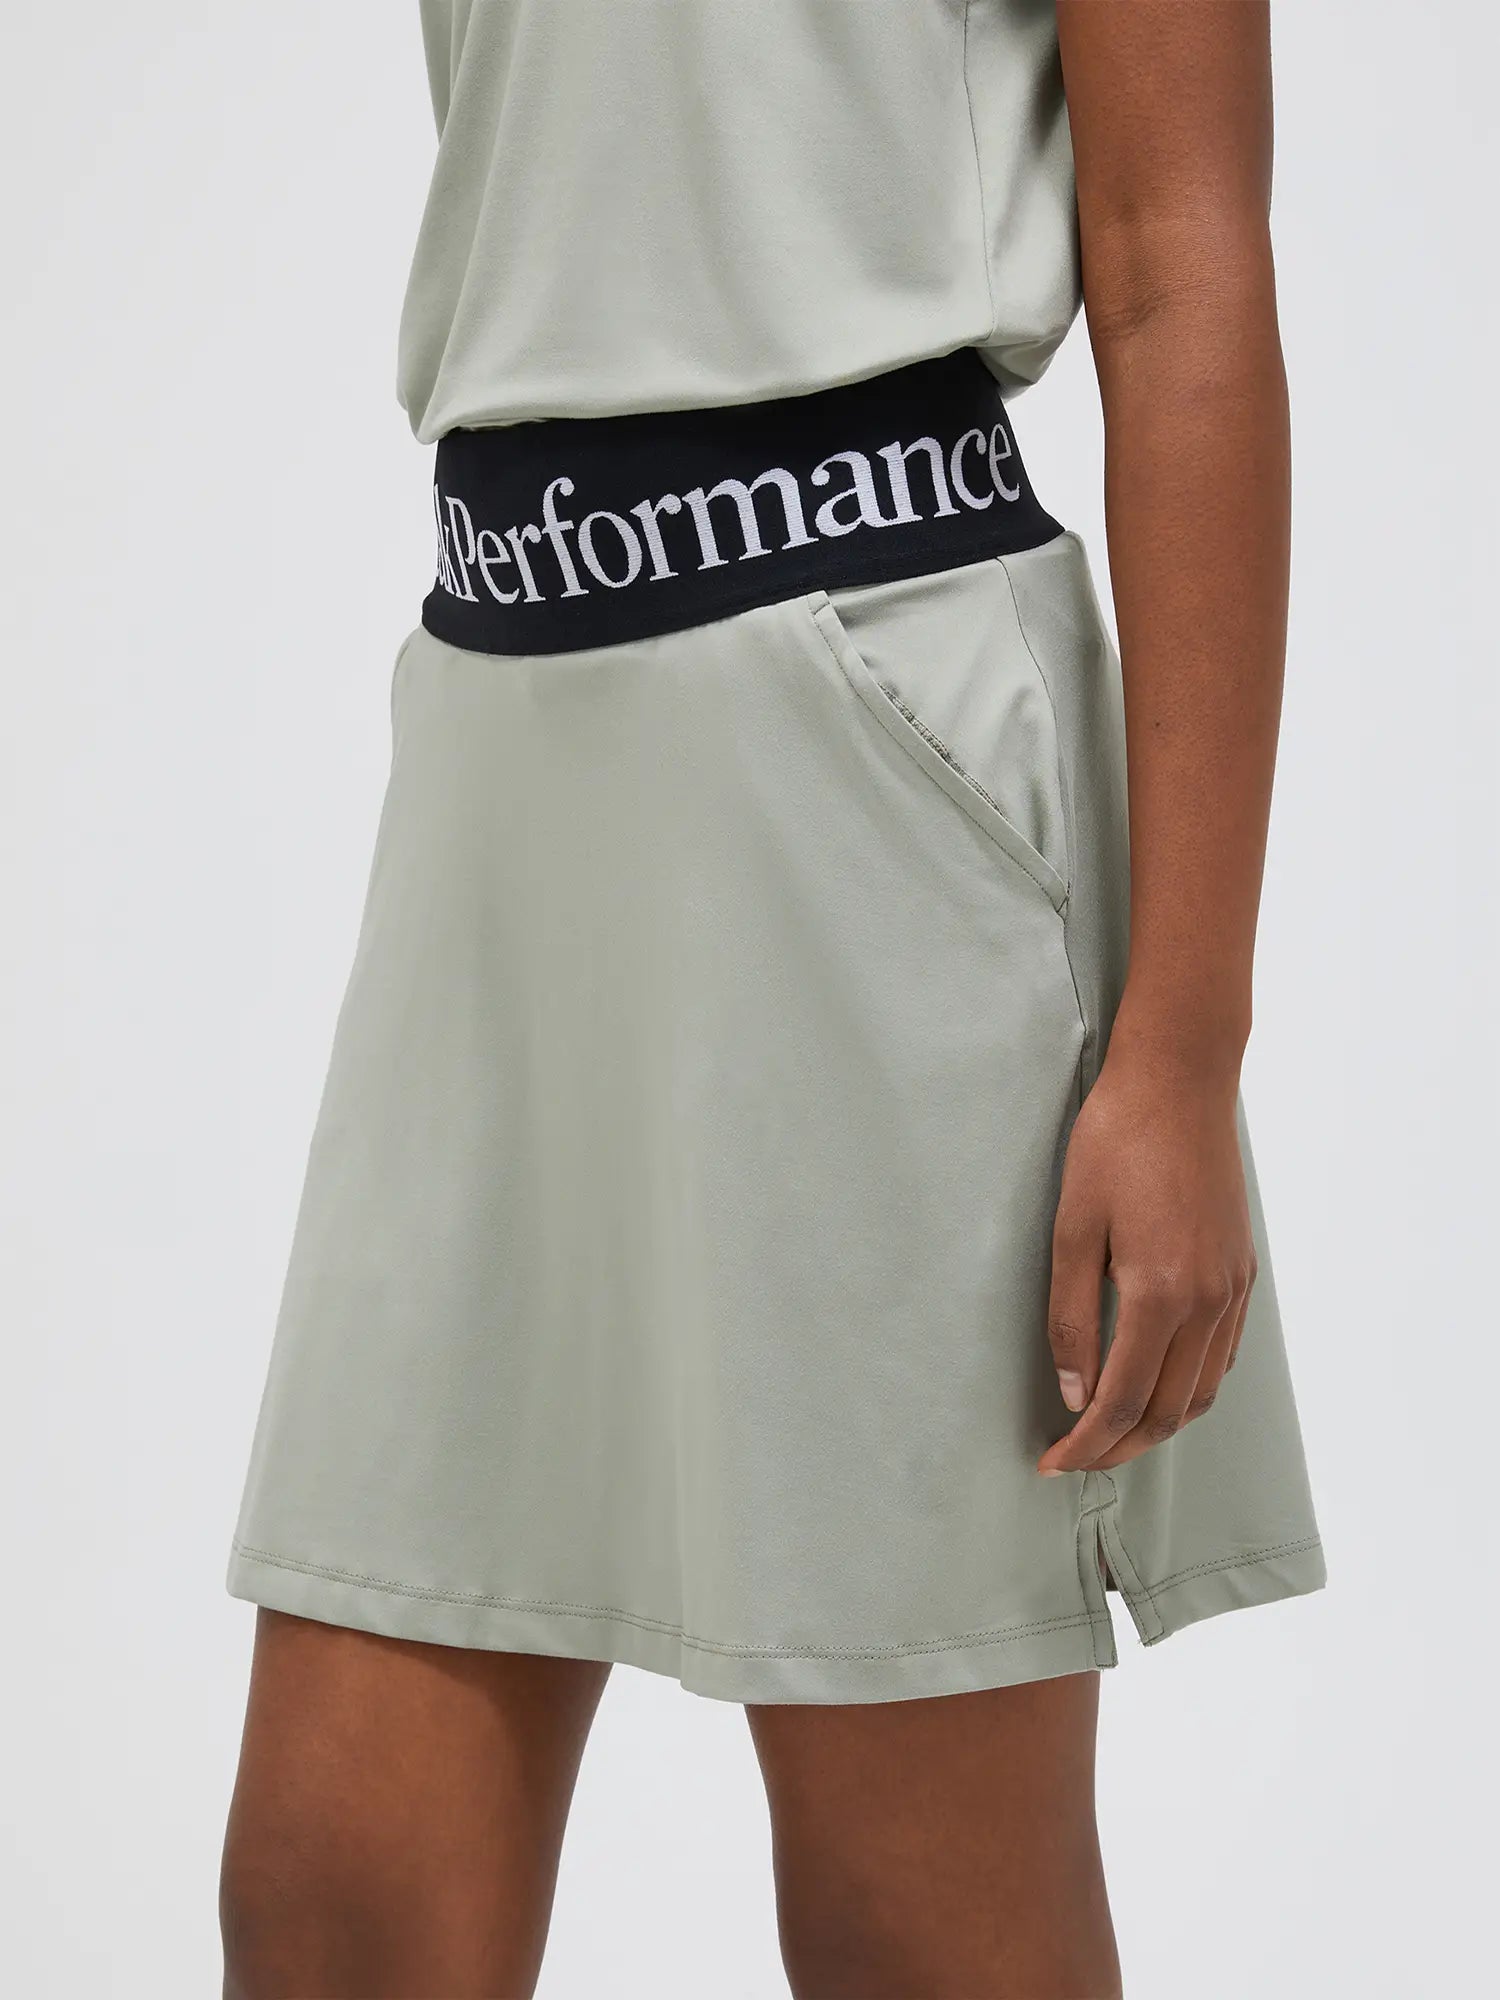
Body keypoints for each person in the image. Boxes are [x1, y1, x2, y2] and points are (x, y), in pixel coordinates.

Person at [219, 4, 1323, 1994]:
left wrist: (1182, 1045)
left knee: (923, 1915)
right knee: (334, 1909)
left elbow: (1182, 272)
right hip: (500, 742)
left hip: (873, 747)